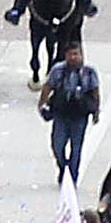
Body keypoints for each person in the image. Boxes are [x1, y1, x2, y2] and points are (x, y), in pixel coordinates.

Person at [43, 43, 101, 183]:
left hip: (79, 115)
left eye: (76, 54)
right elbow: (47, 87)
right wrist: (42, 104)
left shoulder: (89, 72)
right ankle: (63, 166)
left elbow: (95, 92)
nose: (74, 57)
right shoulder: (58, 70)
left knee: (76, 147)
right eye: (70, 54)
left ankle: (72, 176)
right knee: (57, 145)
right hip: (61, 113)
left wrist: (96, 111)